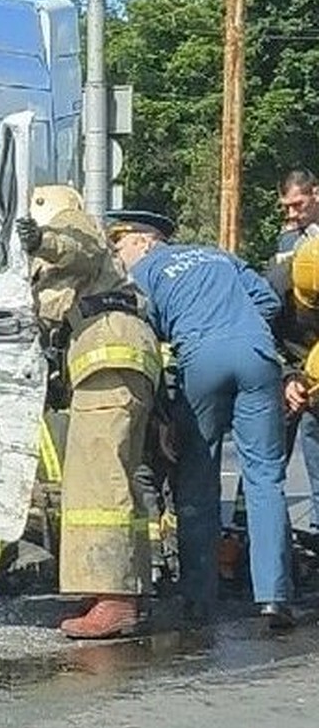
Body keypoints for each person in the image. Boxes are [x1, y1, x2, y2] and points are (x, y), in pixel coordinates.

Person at [110, 210, 294, 629]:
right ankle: (273, 597)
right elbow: (267, 299)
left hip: (201, 362)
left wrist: (162, 414)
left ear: (145, 241)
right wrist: (238, 330)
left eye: (120, 245)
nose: (118, 255)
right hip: (257, 355)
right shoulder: (217, 255)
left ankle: (197, 598)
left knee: (197, 478)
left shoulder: (144, 274)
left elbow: (144, 338)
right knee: (265, 475)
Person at [17, 185, 160, 639]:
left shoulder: (72, 225)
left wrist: (40, 241)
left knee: (96, 480)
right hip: (118, 356)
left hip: (107, 353)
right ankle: (125, 591)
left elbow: (76, 246)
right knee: (118, 476)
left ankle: (112, 598)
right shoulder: (95, 267)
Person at [267, 234, 319, 541]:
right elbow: (258, 336)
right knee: (269, 450)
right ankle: (255, 529)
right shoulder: (274, 285)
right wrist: (286, 376)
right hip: (281, 362)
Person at [273, 169, 319, 264]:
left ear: (316, 194)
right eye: (286, 207)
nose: (291, 214)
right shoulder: (288, 241)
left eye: (297, 204)